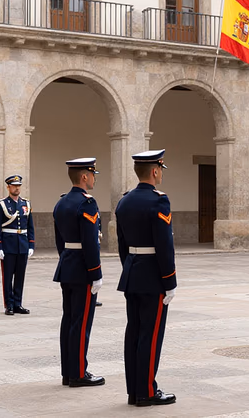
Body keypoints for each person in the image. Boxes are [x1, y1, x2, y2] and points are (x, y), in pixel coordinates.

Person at [115, 149, 177, 407]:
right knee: (150, 335)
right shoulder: (158, 201)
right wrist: (170, 280)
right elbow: (164, 245)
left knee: (134, 332)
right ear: (154, 171)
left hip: (132, 273)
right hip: (153, 277)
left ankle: (134, 391)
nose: (161, 173)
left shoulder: (124, 201)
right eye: (160, 169)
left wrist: (129, 267)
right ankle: (147, 392)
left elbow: (121, 244)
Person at [53, 158, 105, 388]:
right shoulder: (87, 203)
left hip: (67, 266)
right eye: (92, 174)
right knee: (81, 323)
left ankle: (68, 371)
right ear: (84, 176)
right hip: (84, 270)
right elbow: (91, 242)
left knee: (69, 321)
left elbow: (59, 241)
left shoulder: (61, 203)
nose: (94, 178)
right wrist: (96, 273)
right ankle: (79, 373)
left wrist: (65, 260)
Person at [0, 175, 35, 315]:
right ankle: (9, 304)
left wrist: (31, 245)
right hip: (8, 245)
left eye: (18, 185)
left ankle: (18, 303)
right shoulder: (2, 204)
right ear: (8, 187)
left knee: (20, 276)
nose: (17, 188)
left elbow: (30, 226)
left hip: (22, 244)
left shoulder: (26, 204)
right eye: (14, 185)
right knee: (8, 276)